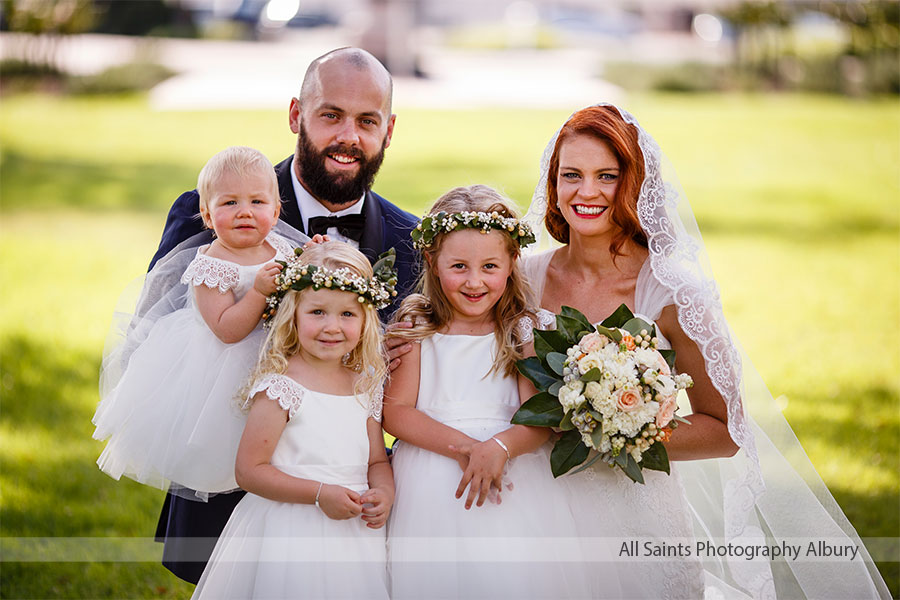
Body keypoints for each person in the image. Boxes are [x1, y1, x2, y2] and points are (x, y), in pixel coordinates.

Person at [521, 104, 890, 598]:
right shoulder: (522, 279)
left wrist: (619, 429)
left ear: (633, 185)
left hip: (637, 519)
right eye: (572, 175)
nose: (587, 192)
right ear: (553, 184)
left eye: (606, 176)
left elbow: (727, 428)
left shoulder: (673, 290)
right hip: (539, 512)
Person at [152, 47, 419, 583]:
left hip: (344, 482)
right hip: (227, 472)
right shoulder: (220, 211)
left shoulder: (411, 241)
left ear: (388, 131)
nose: (349, 136)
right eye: (331, 115)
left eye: (367, 121)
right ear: (297, 115)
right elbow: (162, 334)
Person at [383, 186, 603, 599]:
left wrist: (497, 448)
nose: (474, 281)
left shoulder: (524, 331)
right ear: (432, 261)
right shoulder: (416, 327)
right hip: (431, 486)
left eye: (489, 266)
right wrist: (469, 448)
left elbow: (539, 419)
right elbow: (396, 414)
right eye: (459, 266)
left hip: (514, 476)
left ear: (511, 262)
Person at [93, 145, 298, 500]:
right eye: (229, 203)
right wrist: (259, 292)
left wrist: (315, 258)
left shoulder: (282, 248)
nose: (244, 212)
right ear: (206, 214)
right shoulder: (211, 265)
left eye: (257, 202)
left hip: (279, 360)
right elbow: (226, 328)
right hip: (223, 369)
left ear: (276, 210)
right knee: (234, 440)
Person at [192, 241, 394, 599]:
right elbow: (250, 471)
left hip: (354, 532)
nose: (332, 326)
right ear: (293, 314)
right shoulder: (281, 387)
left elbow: (377, 459)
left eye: (347, 314)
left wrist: (384, 491)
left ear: (366, 321)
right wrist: (319, 494)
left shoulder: (365, 385)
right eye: (317, 312)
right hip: (290, 531)